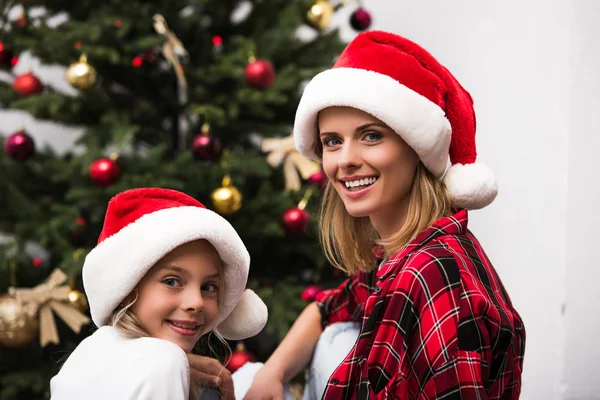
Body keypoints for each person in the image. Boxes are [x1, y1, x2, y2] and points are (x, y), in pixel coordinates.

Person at [243, 30, 525, 399]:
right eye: (333, 141)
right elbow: (329, 307)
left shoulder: (433, 273)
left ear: (416, 150)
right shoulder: (398, 255)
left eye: (371, 136)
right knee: (328, 339)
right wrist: (273, 373)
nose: (345, 160)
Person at [50, 187, 268, 400]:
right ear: (128, 288)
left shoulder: (90, 352)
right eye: (171, 281)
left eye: (209, 287)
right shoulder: (164, 361)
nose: (196, 302)